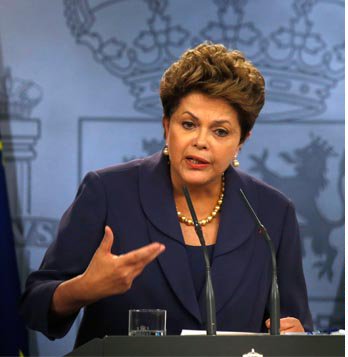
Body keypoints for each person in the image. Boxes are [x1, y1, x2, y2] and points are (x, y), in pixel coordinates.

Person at [19, 43, 312, 347]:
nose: (201, 142)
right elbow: (33, 305)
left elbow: (294, 323)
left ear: (242, 141)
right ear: (166, 125)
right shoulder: (108, 192)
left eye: (220, 131)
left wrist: (296, 336)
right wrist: (83, 289)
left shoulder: (272, 212)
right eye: (188, 124)